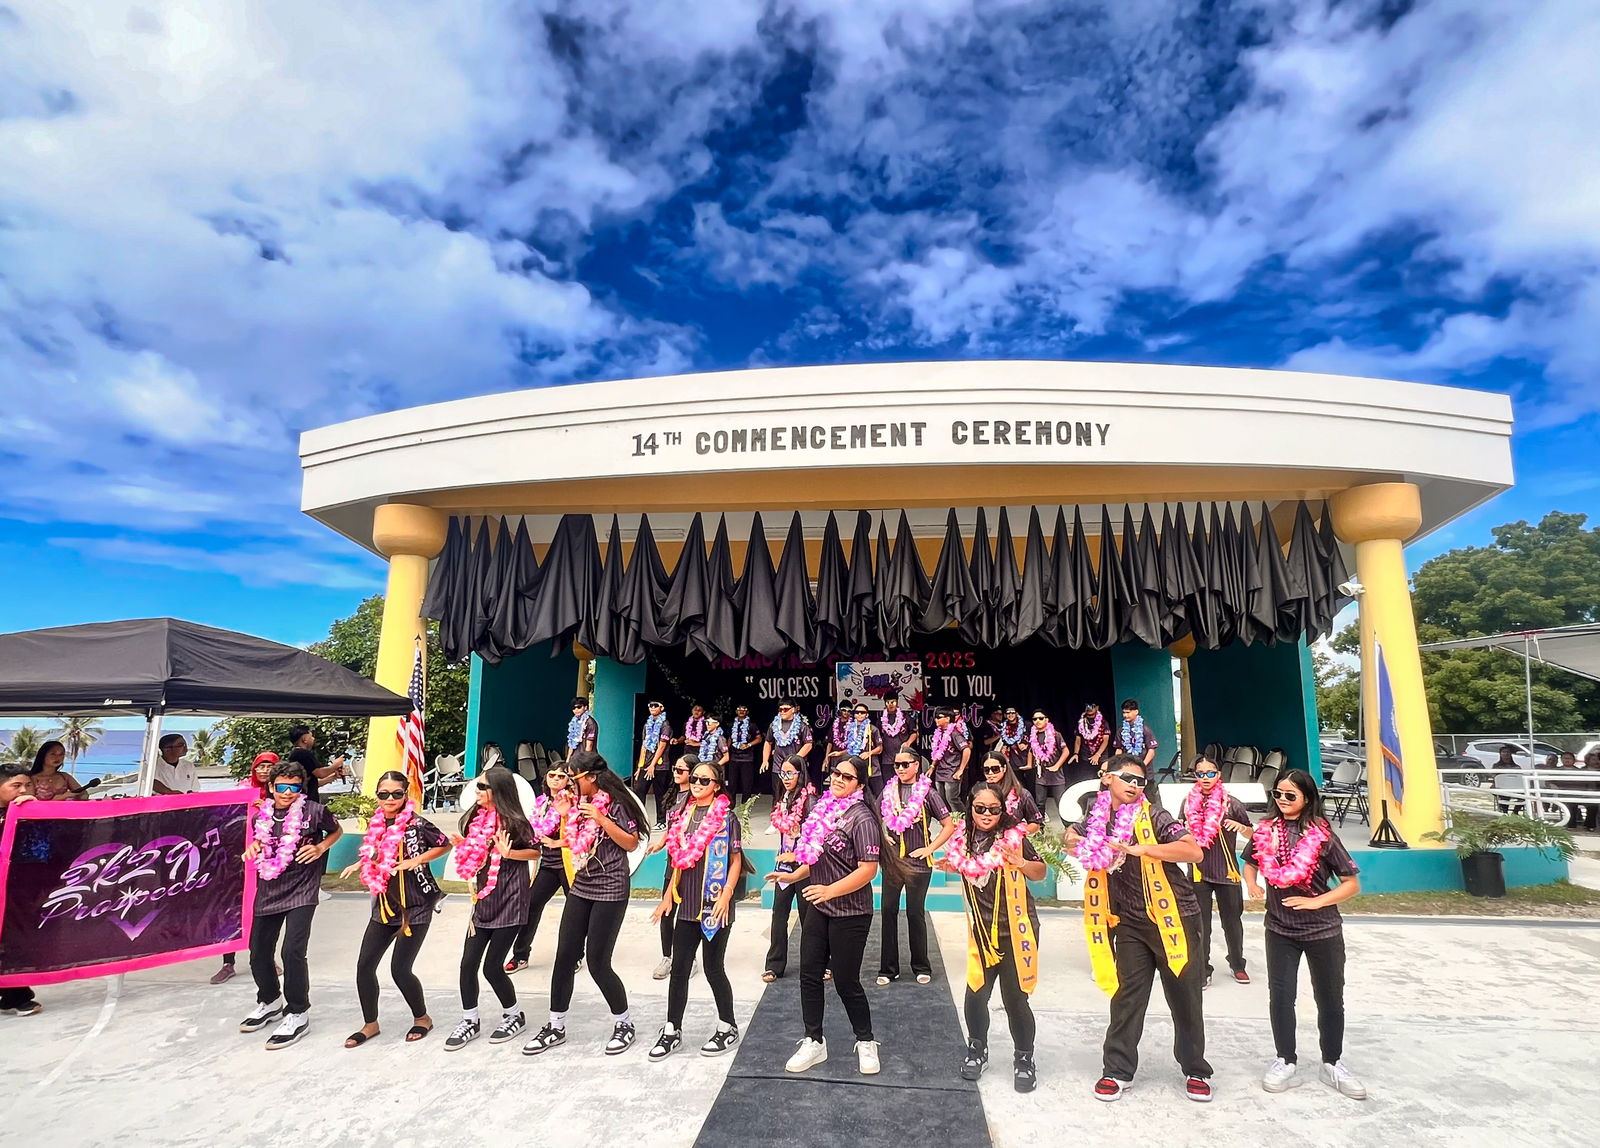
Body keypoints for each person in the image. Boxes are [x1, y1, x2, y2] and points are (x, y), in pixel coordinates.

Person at [1066, 754, 1210, 1103]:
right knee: (1127, 995)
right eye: (1127, 778)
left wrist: (1142, 849)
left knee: (1185, 996)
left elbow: (1193, 852)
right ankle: (1117, 1070)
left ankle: (1195, 1068)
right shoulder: (1097, 816)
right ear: (1106, 779)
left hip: (1174, 918)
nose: (1134, 785)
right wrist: (1073, 841)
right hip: (1129, 921)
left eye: (1140, 781)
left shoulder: (1154, 815)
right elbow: (1072, 836)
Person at [772, 755, 904, 1077]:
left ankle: (866, 1041)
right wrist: (794, 874)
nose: (838, 779)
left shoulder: (862, 819)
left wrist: (830, 890)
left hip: (851, 912)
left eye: (847, 776)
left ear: (859, 784)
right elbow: (816, 857)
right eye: (835, 773)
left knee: (846, 982)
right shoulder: (824, 810)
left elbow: (868, 870)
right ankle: (814, 1040)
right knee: (809, 975)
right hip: (819, 906)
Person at [1244, 768, 1365, 1100]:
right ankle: (1285, 1060)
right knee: (1281, 997)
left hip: (1323, 930)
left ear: (1308, 798)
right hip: (1279, 929)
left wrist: (1316, 903)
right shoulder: (1265, 831)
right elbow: (1250, 861)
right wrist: (1252, 882)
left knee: (1329, 999)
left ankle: (1333, 1063)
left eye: (1290, 795)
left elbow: (1352, 884)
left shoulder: (1323, 836)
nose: (1282, 800)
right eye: (1278, 794)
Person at [524, 751, 644, 1056]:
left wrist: (601, 818)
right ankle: (555, 1025)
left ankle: (624, 1023)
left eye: (572, 778)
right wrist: (566, 815)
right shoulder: (574, 803)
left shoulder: (617, 803)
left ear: (590, 778)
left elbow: (631, 843)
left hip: (611, 888)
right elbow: (575, 843)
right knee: (564, 956)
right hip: (582, 884)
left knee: (598, 963)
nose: (567, 785)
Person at [938, 783, 1046, 1093]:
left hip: (1016, 929)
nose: (986, 814)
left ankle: (1024, 1059)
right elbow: (967, 870)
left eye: (993, 809)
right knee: (975, 995)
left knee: (1015, 999)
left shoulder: (1014, 839)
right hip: (982, 932)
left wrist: (1021, 863)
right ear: (970, 808)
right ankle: (977, 1050)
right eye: (980, 808)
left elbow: (1040, 873)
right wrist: (950, 864)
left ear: (1003, 811)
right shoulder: (963, 841)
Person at [339, 770, 450, 1048]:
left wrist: (418, 860)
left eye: (396, 794)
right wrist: (361, 863)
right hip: (385, 907)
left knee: (400, 969)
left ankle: (422, 1018)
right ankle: (370, 1023)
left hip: (415, 907)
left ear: (406, 794)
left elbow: (444, 845)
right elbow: (377, 854)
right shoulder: (376, 824)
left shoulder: (418, 824)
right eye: (384, 794)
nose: (390, 799)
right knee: (364, 967)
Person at [238, 760, 343, 1049]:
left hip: (302, 889)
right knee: (258, 950)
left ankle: (298, 1012)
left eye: (294, 787)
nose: (287, 792)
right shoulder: (260, 816)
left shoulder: (315, 811)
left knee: (292, 951)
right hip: (270, 887)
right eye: (282, 786)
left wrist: (321, 847)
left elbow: (337, 831)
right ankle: (270, 1000)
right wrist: (254, 847)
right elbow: (258, 841)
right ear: (271, 787)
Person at [649, 760, 746, 1059]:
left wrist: (726, 895)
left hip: (714, 905)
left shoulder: (727, 818)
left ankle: (727, 1026)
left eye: (705, 780)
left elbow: (735, 861)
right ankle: (672, 1029)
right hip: (687, 905)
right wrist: (668, 895)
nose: (698, 784)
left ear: (717, 785)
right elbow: (679, 860)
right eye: (694, 779)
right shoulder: (683, 814)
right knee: (679, 969)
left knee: (713, 968)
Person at [444, 766, 539, 1051]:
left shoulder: (516, 821)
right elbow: (478, 851)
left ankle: (513, 1014)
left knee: (492, 968)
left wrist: (510, 854)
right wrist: (464, 845)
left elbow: (536, 851)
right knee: (467, 964)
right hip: (483, 901)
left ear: (497, 791)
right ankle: (469, 1019)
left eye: (482, 787)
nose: (477, 792)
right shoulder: (475, 817)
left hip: (510, 900)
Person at [876, 751, 954, 986]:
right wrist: (882, 835)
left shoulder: (928, 793)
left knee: (914, 913)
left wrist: (930, 848)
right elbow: (874, 813)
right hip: (893, 863)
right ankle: (888, 969)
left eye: (905, 764)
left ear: (916, 765)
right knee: (888, 911)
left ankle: (921, 966)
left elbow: (949, 825)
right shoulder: (889, 791)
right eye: (896, 764)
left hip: (918, 864)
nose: (899, 768)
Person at [1180, 753, 1253, 988]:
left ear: (1218, 775)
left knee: (1232, 922)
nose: (1205, 778)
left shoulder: (1232, 803)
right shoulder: (1188, 802)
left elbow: (1253, 834)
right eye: (1200, 774)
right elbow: (1180, 831)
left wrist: (1241, 827)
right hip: (1199, 871)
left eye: (1210, 773)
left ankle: (1237, 964)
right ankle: (1203, 968)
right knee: (1200, 924)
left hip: (1227, 872)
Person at [214, 751, 286, 984]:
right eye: (260, 766)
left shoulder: (285, 795)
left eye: (269, 766)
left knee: (264, 912)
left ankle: (266, 957)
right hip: (240, 860)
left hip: (269, 861)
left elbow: (292, 824)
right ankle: (228, 962)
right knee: (233, 910)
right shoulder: (242, 791)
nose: (264, 771)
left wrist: (269, 806)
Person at [506, 761, 582, 974]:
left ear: (568, 780)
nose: (556, 779)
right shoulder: (541, 803)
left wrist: (560, 838)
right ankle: (521, 955)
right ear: (546, 778)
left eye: (561, 776)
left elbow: (580, 833)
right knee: (530, 906)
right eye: (552, 775)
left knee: (575, 912)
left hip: (569, 864)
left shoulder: (573, 801)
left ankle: (575, 955)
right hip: (548, 864)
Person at [763, 758, 815, 982]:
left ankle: (818, 963)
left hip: (805, 866)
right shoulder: (783, 798)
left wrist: (799, 844)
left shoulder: (810, 799)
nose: (785, 779)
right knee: (779, 914)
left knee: (809, 917)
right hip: (784, 865)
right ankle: (774, 965)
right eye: (782, 774)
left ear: (800, 774)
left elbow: (817, 833)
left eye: (790, 773)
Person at [647, 757, 696, 980]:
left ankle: (689, 958)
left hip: (690, 863)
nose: (675, 772)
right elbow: (673, 827)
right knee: (667, 912)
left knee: (688, 914)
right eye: (675, 768)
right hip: (672, 861)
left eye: (680, 769)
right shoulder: (674, 796)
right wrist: (660, 843)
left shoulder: (697, 799)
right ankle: (667, 956)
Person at [0, 764, 41, 1016]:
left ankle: (14, 993)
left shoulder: (32, 813)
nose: (23, 791)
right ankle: (15, 995)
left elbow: (38, 851)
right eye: (15, 786)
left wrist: (33, 816)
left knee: (12, 940)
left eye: (27, 785)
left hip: (16, 890)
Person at [635, 700, 676, 830]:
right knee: (640, 791)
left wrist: (653, 765)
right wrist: (640, 767)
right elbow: (644, 745)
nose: (652, 708)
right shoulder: (647, 724)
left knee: (660, 794)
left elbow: (662, 746)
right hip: (646, 765)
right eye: (650, 705)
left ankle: (662, 821)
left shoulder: (665, 725)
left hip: (660, 766)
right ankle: (639, 820)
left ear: (662, 708)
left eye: (655, 705)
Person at [765, 701, 816, 805]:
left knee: (798, 793)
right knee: (778, 794)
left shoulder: (802, 726)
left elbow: (808, 744)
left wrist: (795, 759)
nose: (782, 712)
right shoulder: (774, 725)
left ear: (793, 709)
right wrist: (765, 760)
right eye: (780, 709)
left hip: (795, 768)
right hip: (778, 767)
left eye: (786, 709)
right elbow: (768, 742)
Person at [978, 751, 1042, 833]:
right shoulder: (979, 792)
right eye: (986, 770)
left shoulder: (1022, 794)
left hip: (1011, 843)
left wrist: (1016, 835)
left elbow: (1035, 823)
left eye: (995, 769)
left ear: (1004, 768)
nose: (990, 773)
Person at [1028, 711, 1071, 823]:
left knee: (1061, 803)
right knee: (1040, 804)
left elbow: (1066, 751)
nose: (1037, 721)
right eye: (1035, 719)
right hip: (1041, 776)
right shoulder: (1033, 736)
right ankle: (1040, 832)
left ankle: (1068, 829)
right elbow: (1031, 751)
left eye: (1041, 718)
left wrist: (1057, 766)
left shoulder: (1056, 734)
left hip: (1056, 776)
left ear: (1047, 720)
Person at [285, 725, 346, 804]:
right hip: (306, 802)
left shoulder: (296, 754)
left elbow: (314, 784)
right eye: (311, 736)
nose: (313, 739)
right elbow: (320, 773)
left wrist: (333, 777)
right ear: (305, 739)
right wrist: (336, 764)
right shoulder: (303, 753)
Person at [928, 708, 971, 811]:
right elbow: (937, 753)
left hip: (952, 771)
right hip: (940, 771)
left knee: (952, 798)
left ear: (947, 718)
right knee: (941, 799)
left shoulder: (955, 734)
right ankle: (948, 821)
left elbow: (966, 750)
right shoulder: (938, 734)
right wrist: (932, 766)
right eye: (935, 717)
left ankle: (963, 820)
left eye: (939, 717)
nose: (936, 719)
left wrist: (961, 770)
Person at [727, 704, 763, 804]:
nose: (741, 711)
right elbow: (729, 739)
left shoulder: (752, 725)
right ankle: (731, 805)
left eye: (744, 710)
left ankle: (745, 807)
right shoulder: (732, 724)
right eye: (739, 710)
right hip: (734, 757)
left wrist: (749, 745)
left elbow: (759, 738)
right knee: (732, 784)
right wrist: (726, 750)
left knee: (747, 784)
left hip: (747, 758)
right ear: (736, 712)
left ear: (747, 712)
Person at [877, 696, 918, 775]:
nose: (890, 704)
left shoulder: (906, 717)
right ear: (885, 704)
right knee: (888, 783)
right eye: (888, 702)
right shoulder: (881, 719)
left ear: (897, 702)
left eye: (893, 702)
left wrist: (908, 743)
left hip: (903, 755)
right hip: (887, 758)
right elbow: (878, 736)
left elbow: (914, 733)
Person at [1072, 703, 1111, 784]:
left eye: (1092, 706)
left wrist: (1097, 754)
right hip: (1086, 757)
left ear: (1097, 707)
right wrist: (1076, 753)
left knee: (1103, 780)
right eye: (1087, 706)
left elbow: (1105, 740)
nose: (1089, 709)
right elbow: (1078, 740)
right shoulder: (1081, 723)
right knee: (1087, 781)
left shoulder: (1104, 723)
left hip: (1101, 757)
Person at [1113, 700, 1157, 768]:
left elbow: (1151, 751)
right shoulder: (1121, 730)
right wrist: (1117, 764)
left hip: (1144, 769)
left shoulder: (1145, 729)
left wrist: (1142, 766)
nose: (1125, 715)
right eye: (1124, 713)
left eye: (1128, 712)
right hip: (1127, 767)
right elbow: (1119, 749)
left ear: (1136, 712)